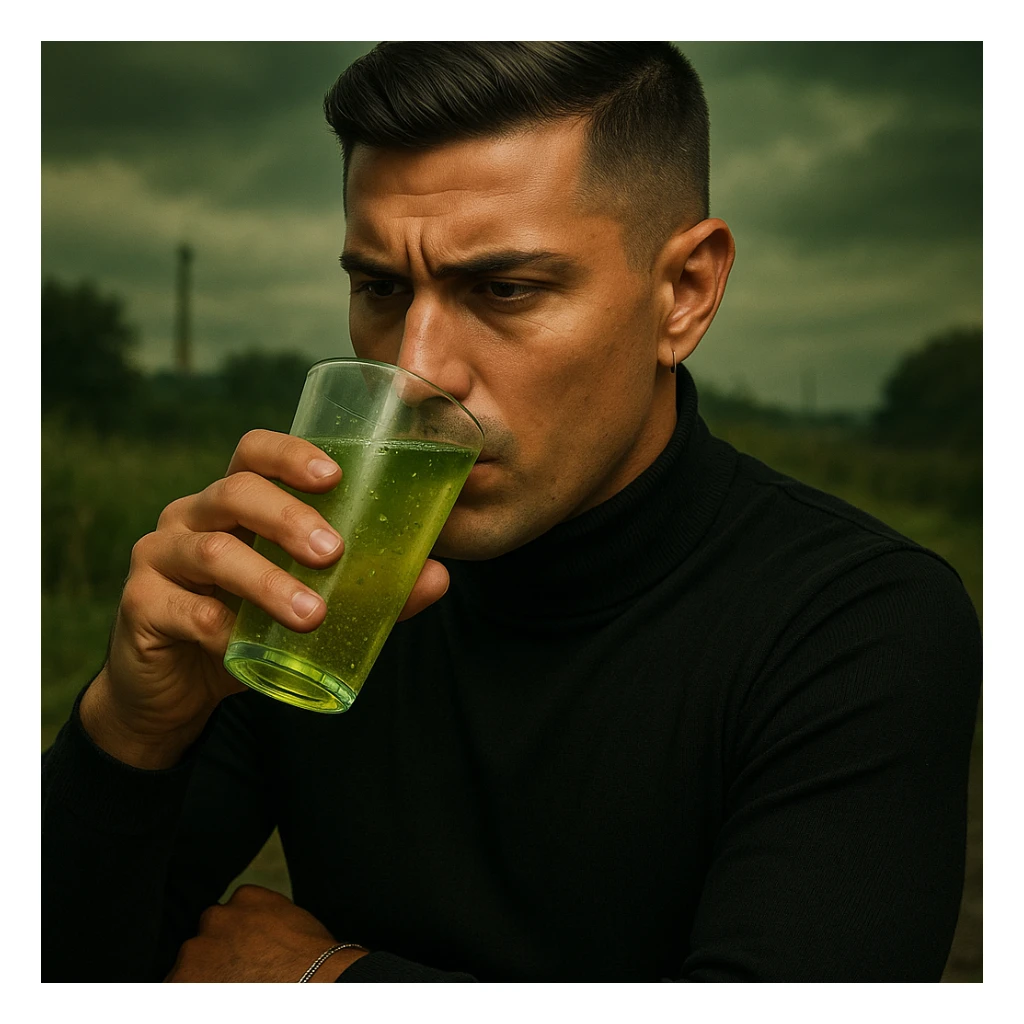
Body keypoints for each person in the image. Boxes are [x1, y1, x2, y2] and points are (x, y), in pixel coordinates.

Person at [41, 42, 981, 983]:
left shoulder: (857, 622)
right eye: (380, 287)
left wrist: (331, 983)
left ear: (684, 294)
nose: (418, 370)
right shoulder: (319, 580)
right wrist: (130, 732)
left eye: (504, 289)